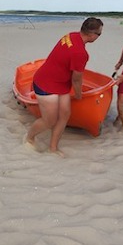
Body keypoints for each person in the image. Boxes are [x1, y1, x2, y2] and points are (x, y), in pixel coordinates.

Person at [25, 17, 104, 157]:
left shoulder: (71, 35)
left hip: (61, 84)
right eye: (99, 34)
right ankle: (29, 137)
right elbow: (77, 79)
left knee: (65, 114)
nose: (99, 37)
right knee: (49, 120)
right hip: (45, 84)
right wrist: (79, 95)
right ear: (92, 34)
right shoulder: (80, 53)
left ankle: (53, 147)